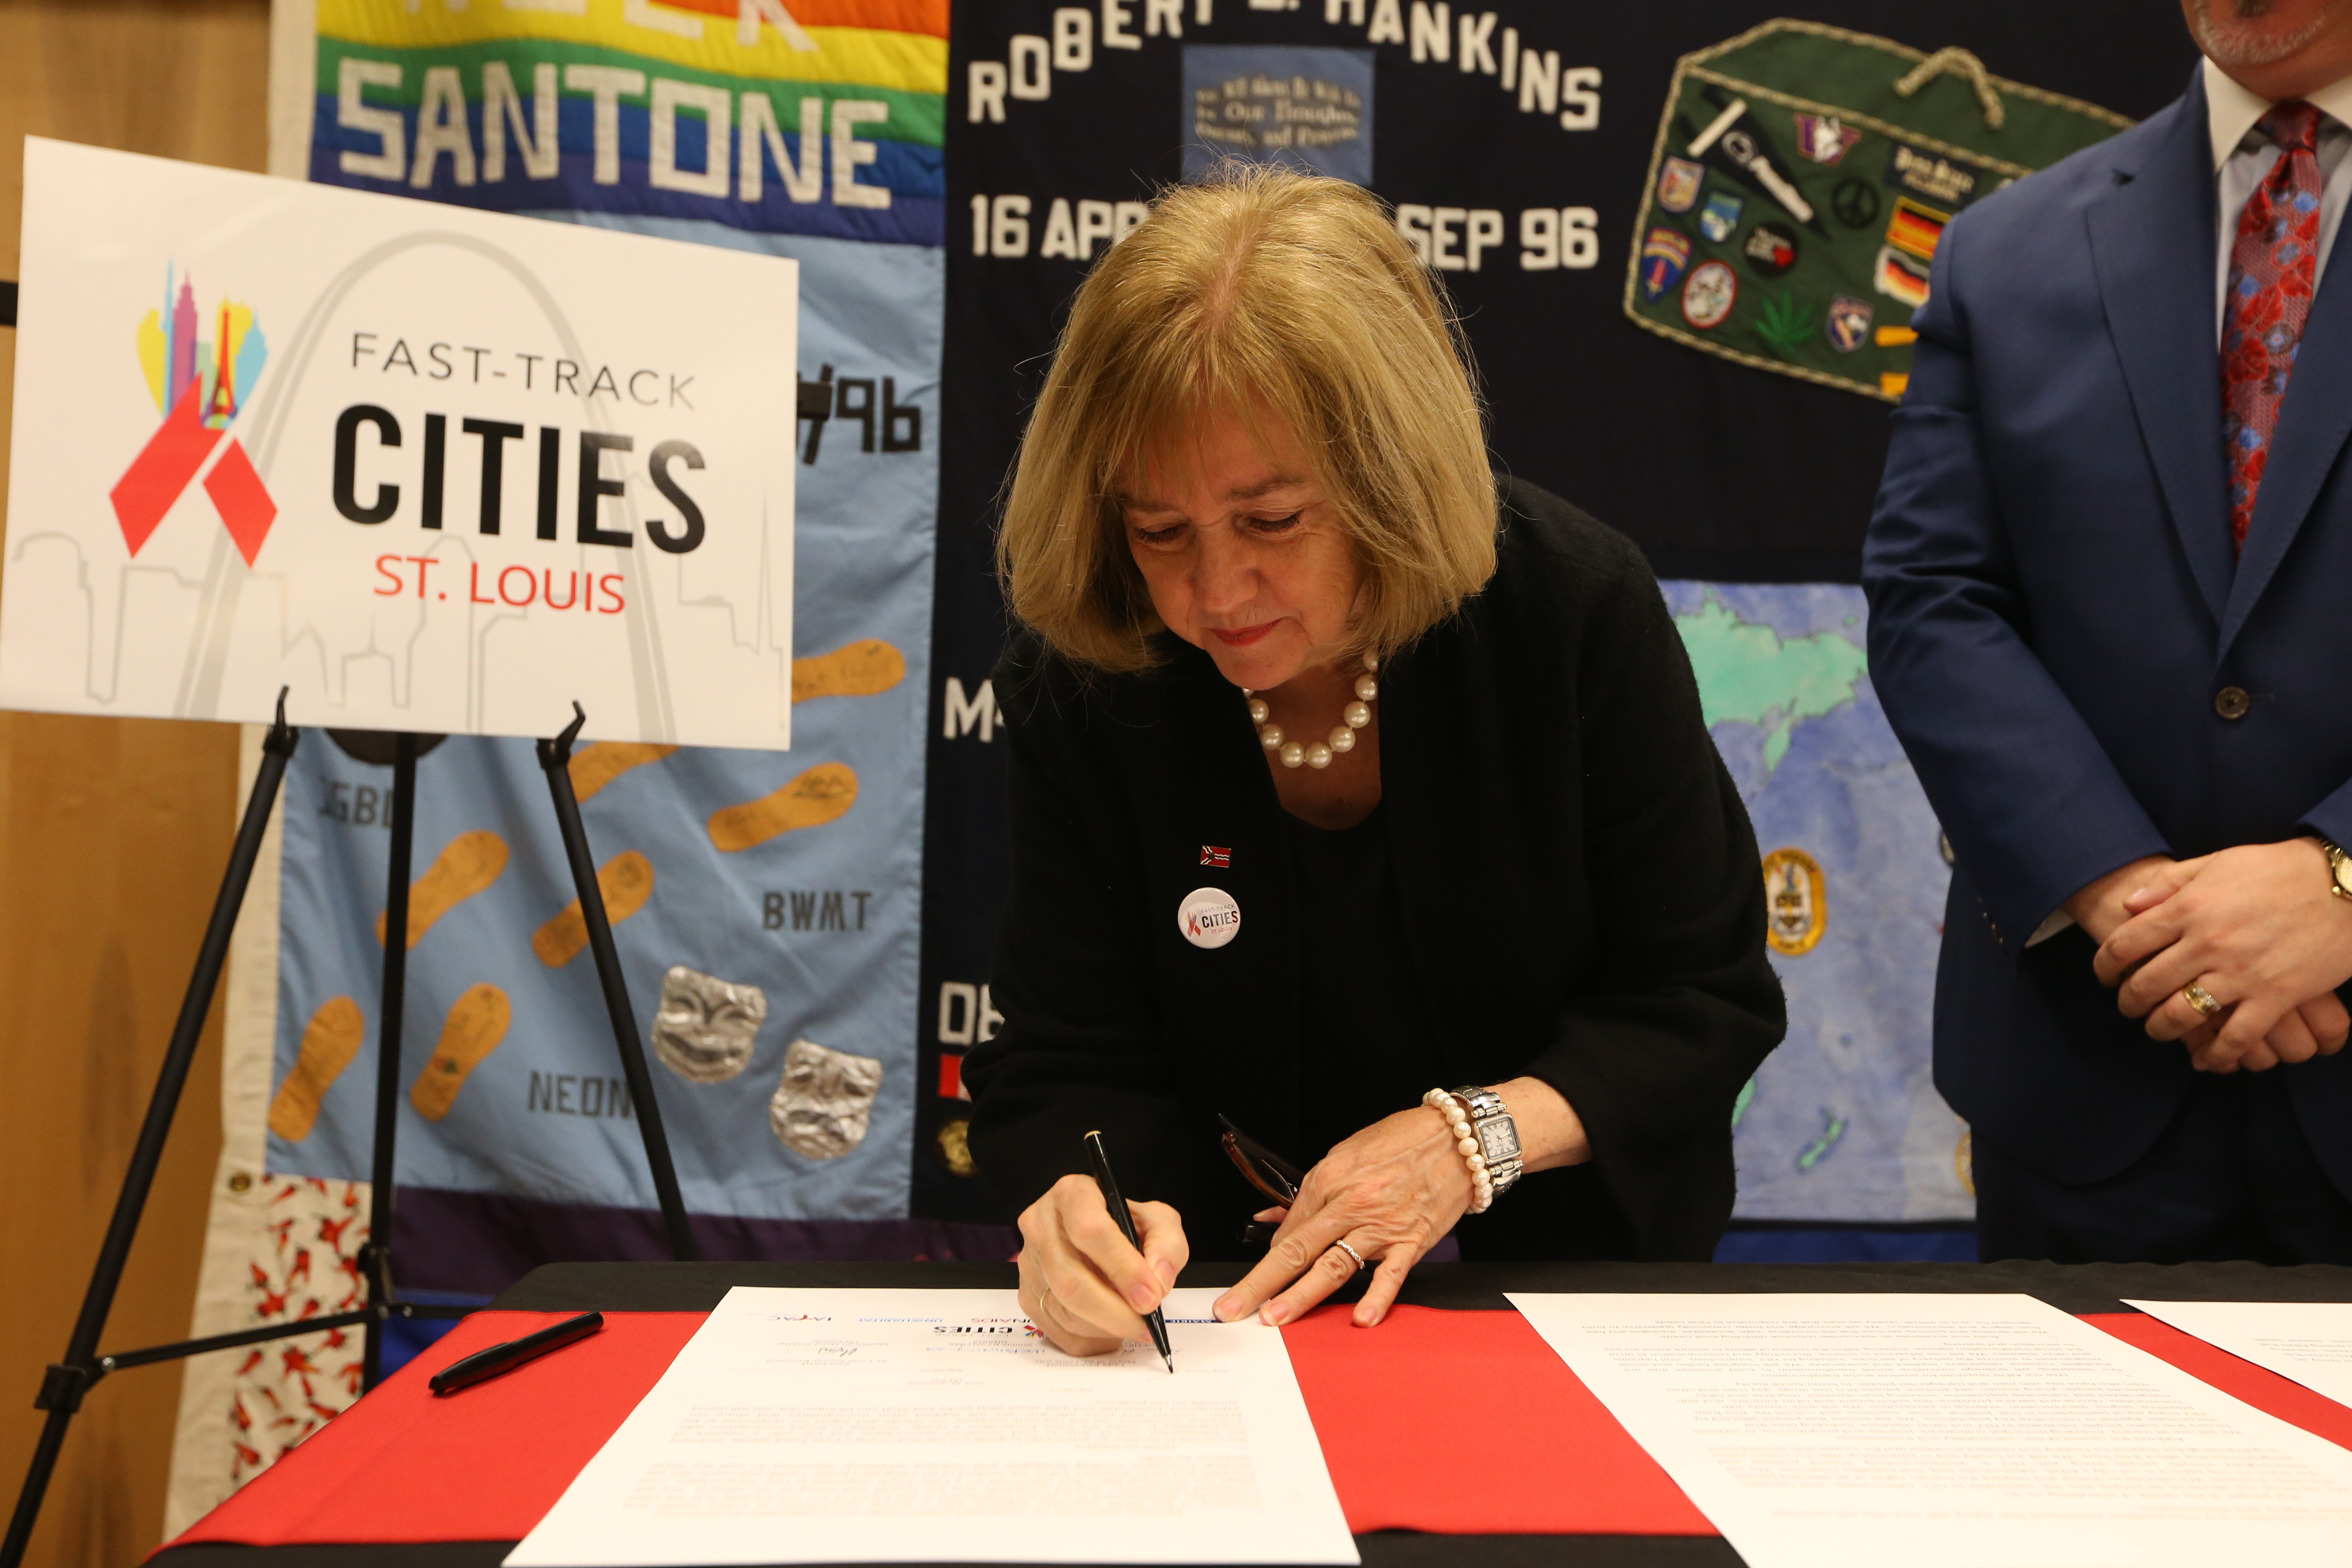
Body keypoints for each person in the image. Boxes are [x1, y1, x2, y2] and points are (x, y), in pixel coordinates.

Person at [963, 167, 1785, 1358]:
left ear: (1387, 475)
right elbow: (1062, 1062)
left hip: (1574, 1294)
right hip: (1225, 1324)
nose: (1215, 590)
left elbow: (1697, 1005)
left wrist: (1470, 1139)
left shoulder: (1568, 606)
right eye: (1159, 531)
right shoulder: (1090, 673)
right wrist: (1078, 1213)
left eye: (1271, 520)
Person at [1863, 0, 2352, 1264]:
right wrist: (2144, 915)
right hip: (2087, 1083)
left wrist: (2344, 881)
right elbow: (1934, 601)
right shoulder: (2006, 251)